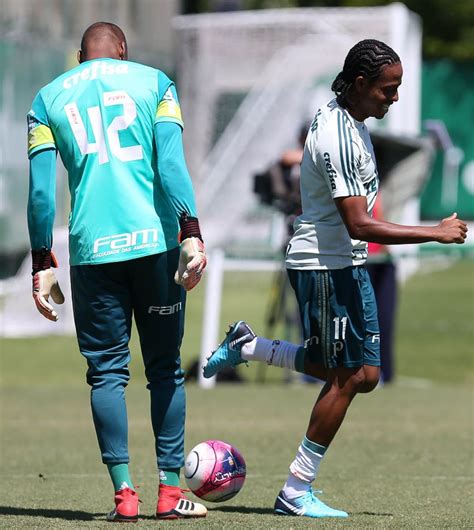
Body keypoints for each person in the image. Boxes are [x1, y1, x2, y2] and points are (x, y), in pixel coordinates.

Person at [203, 39, 467, 519]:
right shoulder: (336, 136)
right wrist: (435, 233)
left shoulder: (355, 123)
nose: (395, 98)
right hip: (323, 266)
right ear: (361, 84)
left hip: (346, 264)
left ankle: (249, 347)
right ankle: (295, 489)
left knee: (365, 375)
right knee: (347, 377)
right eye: (389, 89)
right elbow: (359, 224)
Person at [27, 22, 208, 522]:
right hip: (153, 245)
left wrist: (43, 258)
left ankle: (124, 495)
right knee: (165, 369)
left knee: (107, 373)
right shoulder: (155, 83)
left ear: (78, 56)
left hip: (92, 252)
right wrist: (190, 229)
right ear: (123, 51)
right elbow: (171, 164)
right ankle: (170, 492)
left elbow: (43, 194)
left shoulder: (46, 100)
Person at [366, 194, 397, 383]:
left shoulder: (374, 189)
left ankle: (382, 371)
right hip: (357, 261)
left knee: (383, 318)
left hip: (381, 262)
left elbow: (380, 216)